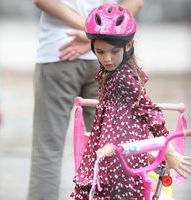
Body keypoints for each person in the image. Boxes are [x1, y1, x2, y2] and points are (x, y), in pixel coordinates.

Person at [69, 4, 191, 199]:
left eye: (114, 51)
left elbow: (150, 113)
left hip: (120, 157)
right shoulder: (112, 71)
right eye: (100, 52)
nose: (107, 58)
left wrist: (169, 151)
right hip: (111, 149)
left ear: (128, 45)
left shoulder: (123, 77)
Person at [27, 1, 144, 200]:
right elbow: (137, 2)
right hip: (107, 56)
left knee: (48, 149)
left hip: (58, 50)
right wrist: (99, 35)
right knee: (108, 149)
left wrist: (91, 31)